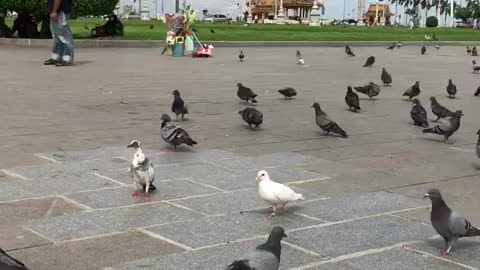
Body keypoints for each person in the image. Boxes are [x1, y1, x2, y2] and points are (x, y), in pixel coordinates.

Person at [44, 0, 74, 66]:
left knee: (65, 35)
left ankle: (67, 58)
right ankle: (56, 57)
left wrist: (54, 11)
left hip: (61, 11)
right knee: (56, 35)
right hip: (58, 11)